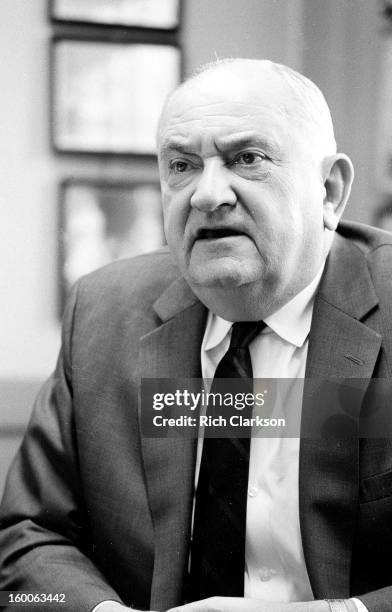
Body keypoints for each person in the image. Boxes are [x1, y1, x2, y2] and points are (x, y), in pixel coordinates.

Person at [1, 58, 392, 612]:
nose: (208, 195)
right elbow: (26, 535)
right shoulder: (105, 312)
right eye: (181, 166)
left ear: (329, 190)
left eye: (247, 159)